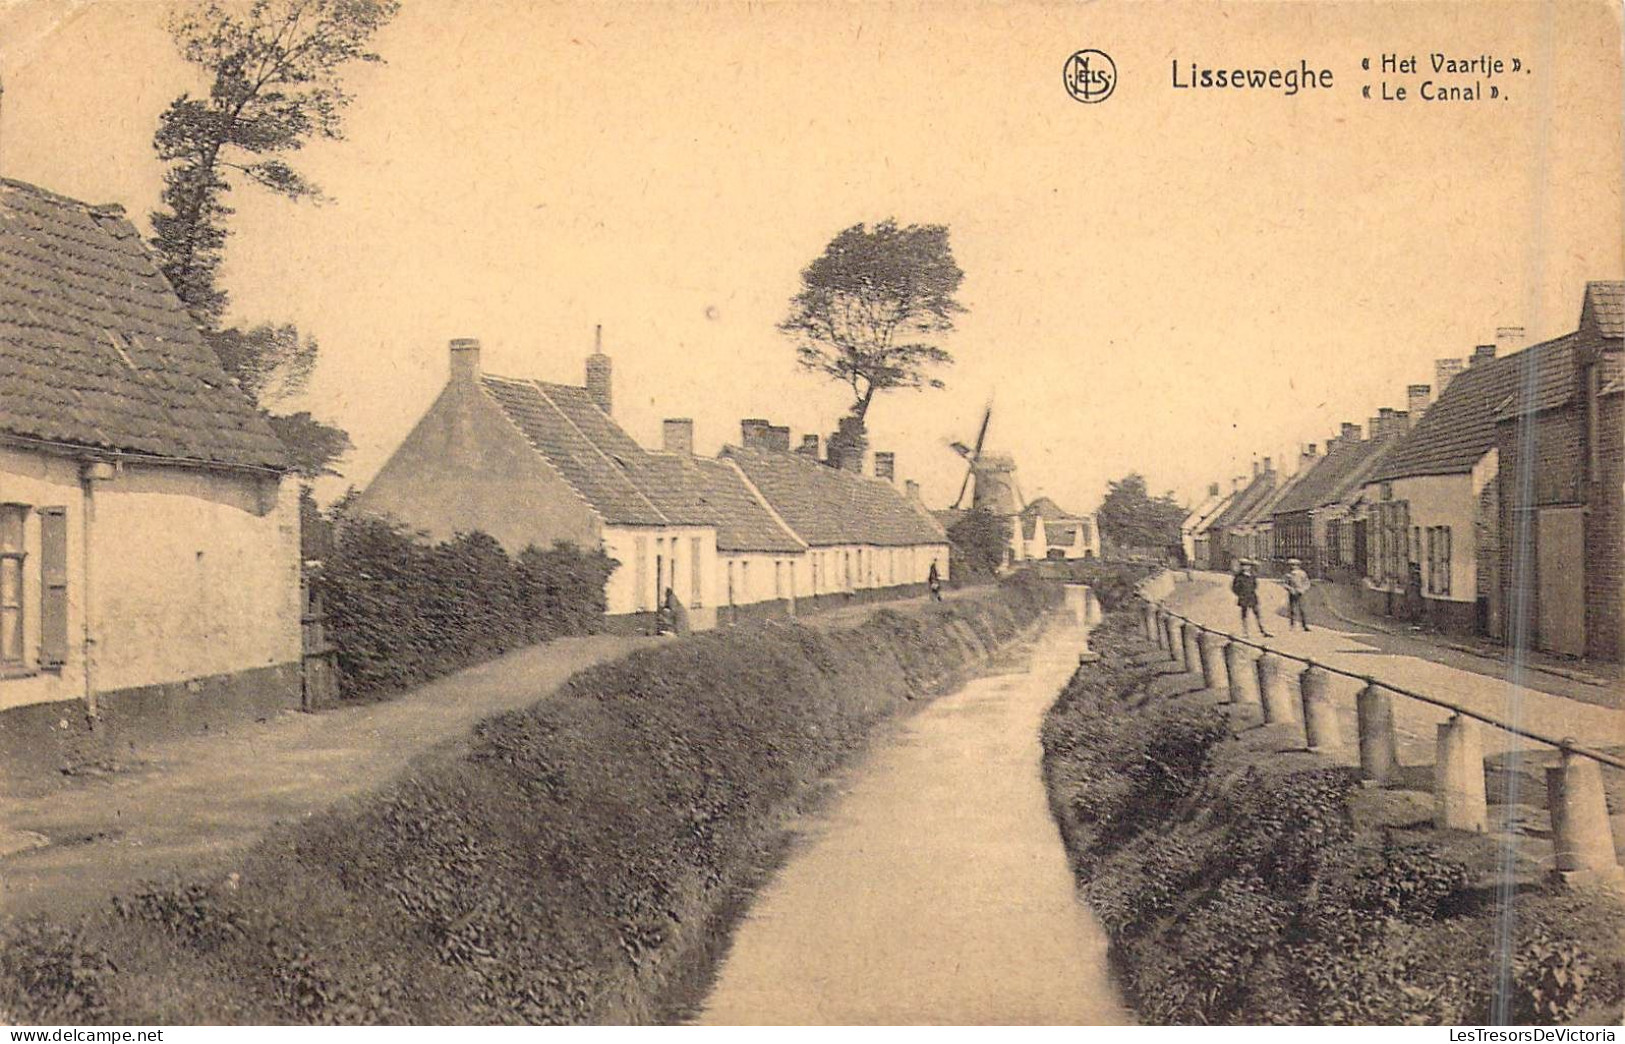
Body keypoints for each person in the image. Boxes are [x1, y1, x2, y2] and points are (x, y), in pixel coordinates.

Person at [1232, 559, 1272, 637]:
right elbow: (1234, 588)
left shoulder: (1252, 576)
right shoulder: (1239, 577)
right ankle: (1245, 632)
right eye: (1243, 565)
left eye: (1247, 566)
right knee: (1244, 615)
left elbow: (1255, 585)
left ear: (1250, 567)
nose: (1245, 567)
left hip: (1252, 596)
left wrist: (1251, 591)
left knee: (1257, 613)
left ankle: (1262, 630)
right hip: (1244, 597)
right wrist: (1240, 594)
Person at [1284, 557, 1313, 631]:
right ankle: (1292, 625)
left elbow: (1307, 583)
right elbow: (1285, 584)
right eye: (1291, 565)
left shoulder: (1302, 574)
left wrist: (1303, 589)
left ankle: (1304, 625)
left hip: (1300, 593)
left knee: (1302, 610)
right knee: (1292, 610)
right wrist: (1290, 589)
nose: (1293, 567)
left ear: (1298, 566)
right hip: (1292, 593)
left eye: (1294, 565)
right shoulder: (1288, 575)